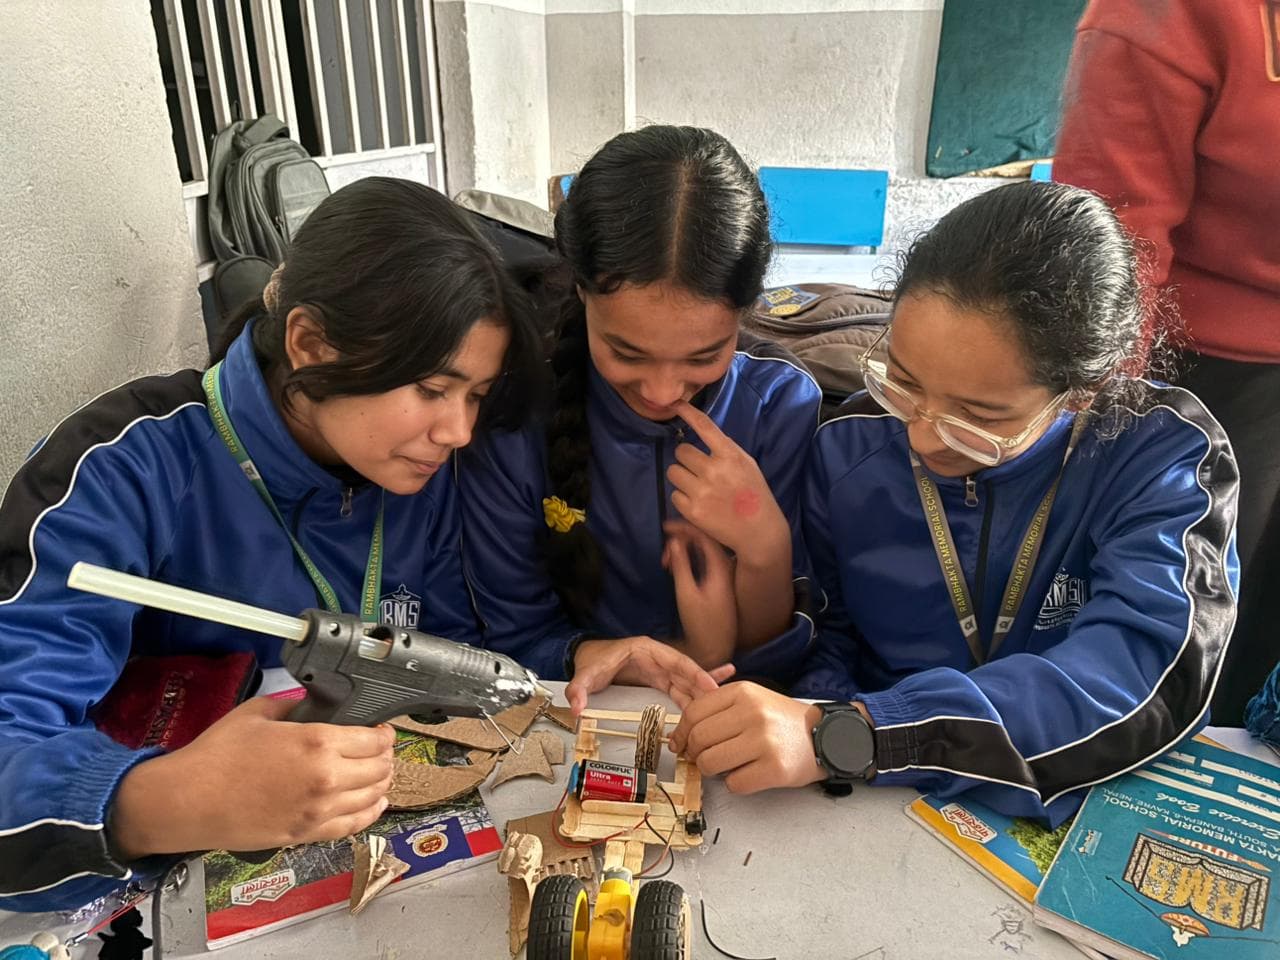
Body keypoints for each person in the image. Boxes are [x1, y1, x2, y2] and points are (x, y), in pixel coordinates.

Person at [0, 177, 552, 912]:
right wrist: (166, 799)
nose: (457, 432)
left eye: (474, 395)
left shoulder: (420, 473)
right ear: (309, 343)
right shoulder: (121, 471)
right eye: (430, 389)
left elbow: (462, 655)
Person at [669, 181, 1239, 823]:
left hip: (1079, 790)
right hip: (884, 794)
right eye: (903, 384)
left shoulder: (1157, 453)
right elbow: (833, 634)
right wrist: (807, 716)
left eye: (978, 418)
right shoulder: (849, 447)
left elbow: (1142, 678)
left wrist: (858, 733)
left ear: (1081, 391)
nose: (920, 436)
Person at [458, 125, 823, 713]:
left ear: (747, 311)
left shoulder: (779, 408)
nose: (660, 391)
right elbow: (514, 637)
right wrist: (626, 651)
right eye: (626, 353)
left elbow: (782, 661)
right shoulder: (510, 413)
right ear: (580, 290)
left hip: (737, 715)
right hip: (574, 708)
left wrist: (765, 547)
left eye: (704, 356)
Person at [1053, 0, 1280, 725]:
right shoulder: (1160, 17)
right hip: (1204, 360)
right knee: (1196, 637)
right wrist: (1106, 424)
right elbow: (1118, 244)